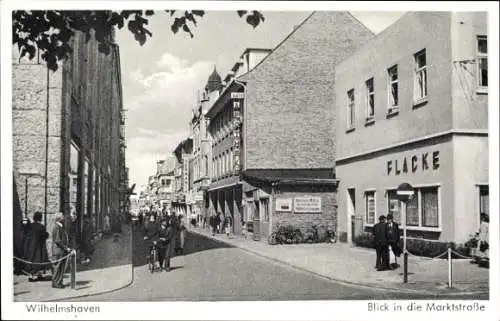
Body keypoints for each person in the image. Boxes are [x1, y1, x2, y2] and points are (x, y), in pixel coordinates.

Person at [22, 212, 50, 281]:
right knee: (39, 260)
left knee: (31, 260)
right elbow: (44, 236)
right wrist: (47, 234)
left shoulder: (30, 226)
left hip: (31, 246)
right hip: (39, 247)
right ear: (40, 218)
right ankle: (38, 275)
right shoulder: (42, 227)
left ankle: (31, 275)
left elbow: (27, 236)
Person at [51, 213, 71, 289]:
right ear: (59, 218)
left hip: (60, 250)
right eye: (62, 216)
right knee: (58, 267)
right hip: (58, 250)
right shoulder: (57, 227)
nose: (64, 217)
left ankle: (59, 281)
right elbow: (58, 240)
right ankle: (56, 282)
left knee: (61, 267)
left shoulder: (60, 227)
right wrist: (66, 248)